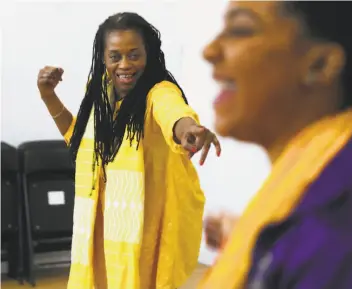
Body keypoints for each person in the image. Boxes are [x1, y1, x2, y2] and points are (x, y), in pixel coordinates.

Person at [200, 2, 352, 289]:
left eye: (241, 29)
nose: (209, 51)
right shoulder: (323, 192)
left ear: (320, 64)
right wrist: (250, 238)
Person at [37, 12, 221, 289]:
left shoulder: (157, 92)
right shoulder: (99, 93)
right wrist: (48, 96)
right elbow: (79, 140)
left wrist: (188, 130)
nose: (125, 64)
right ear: (103, 58)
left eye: (134, 55)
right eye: (115, 56)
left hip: (140, 228)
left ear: (149, 54)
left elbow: (173, 113)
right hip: (98, 224)